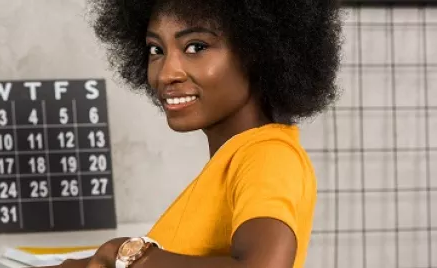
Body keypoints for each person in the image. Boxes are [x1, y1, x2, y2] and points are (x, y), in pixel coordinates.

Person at [47, 0, 342, 268]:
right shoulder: (230, 163)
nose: (165, 74)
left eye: (196, 47)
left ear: (260, 53)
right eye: (156, 50)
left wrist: (130, 254)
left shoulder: (269, 156)